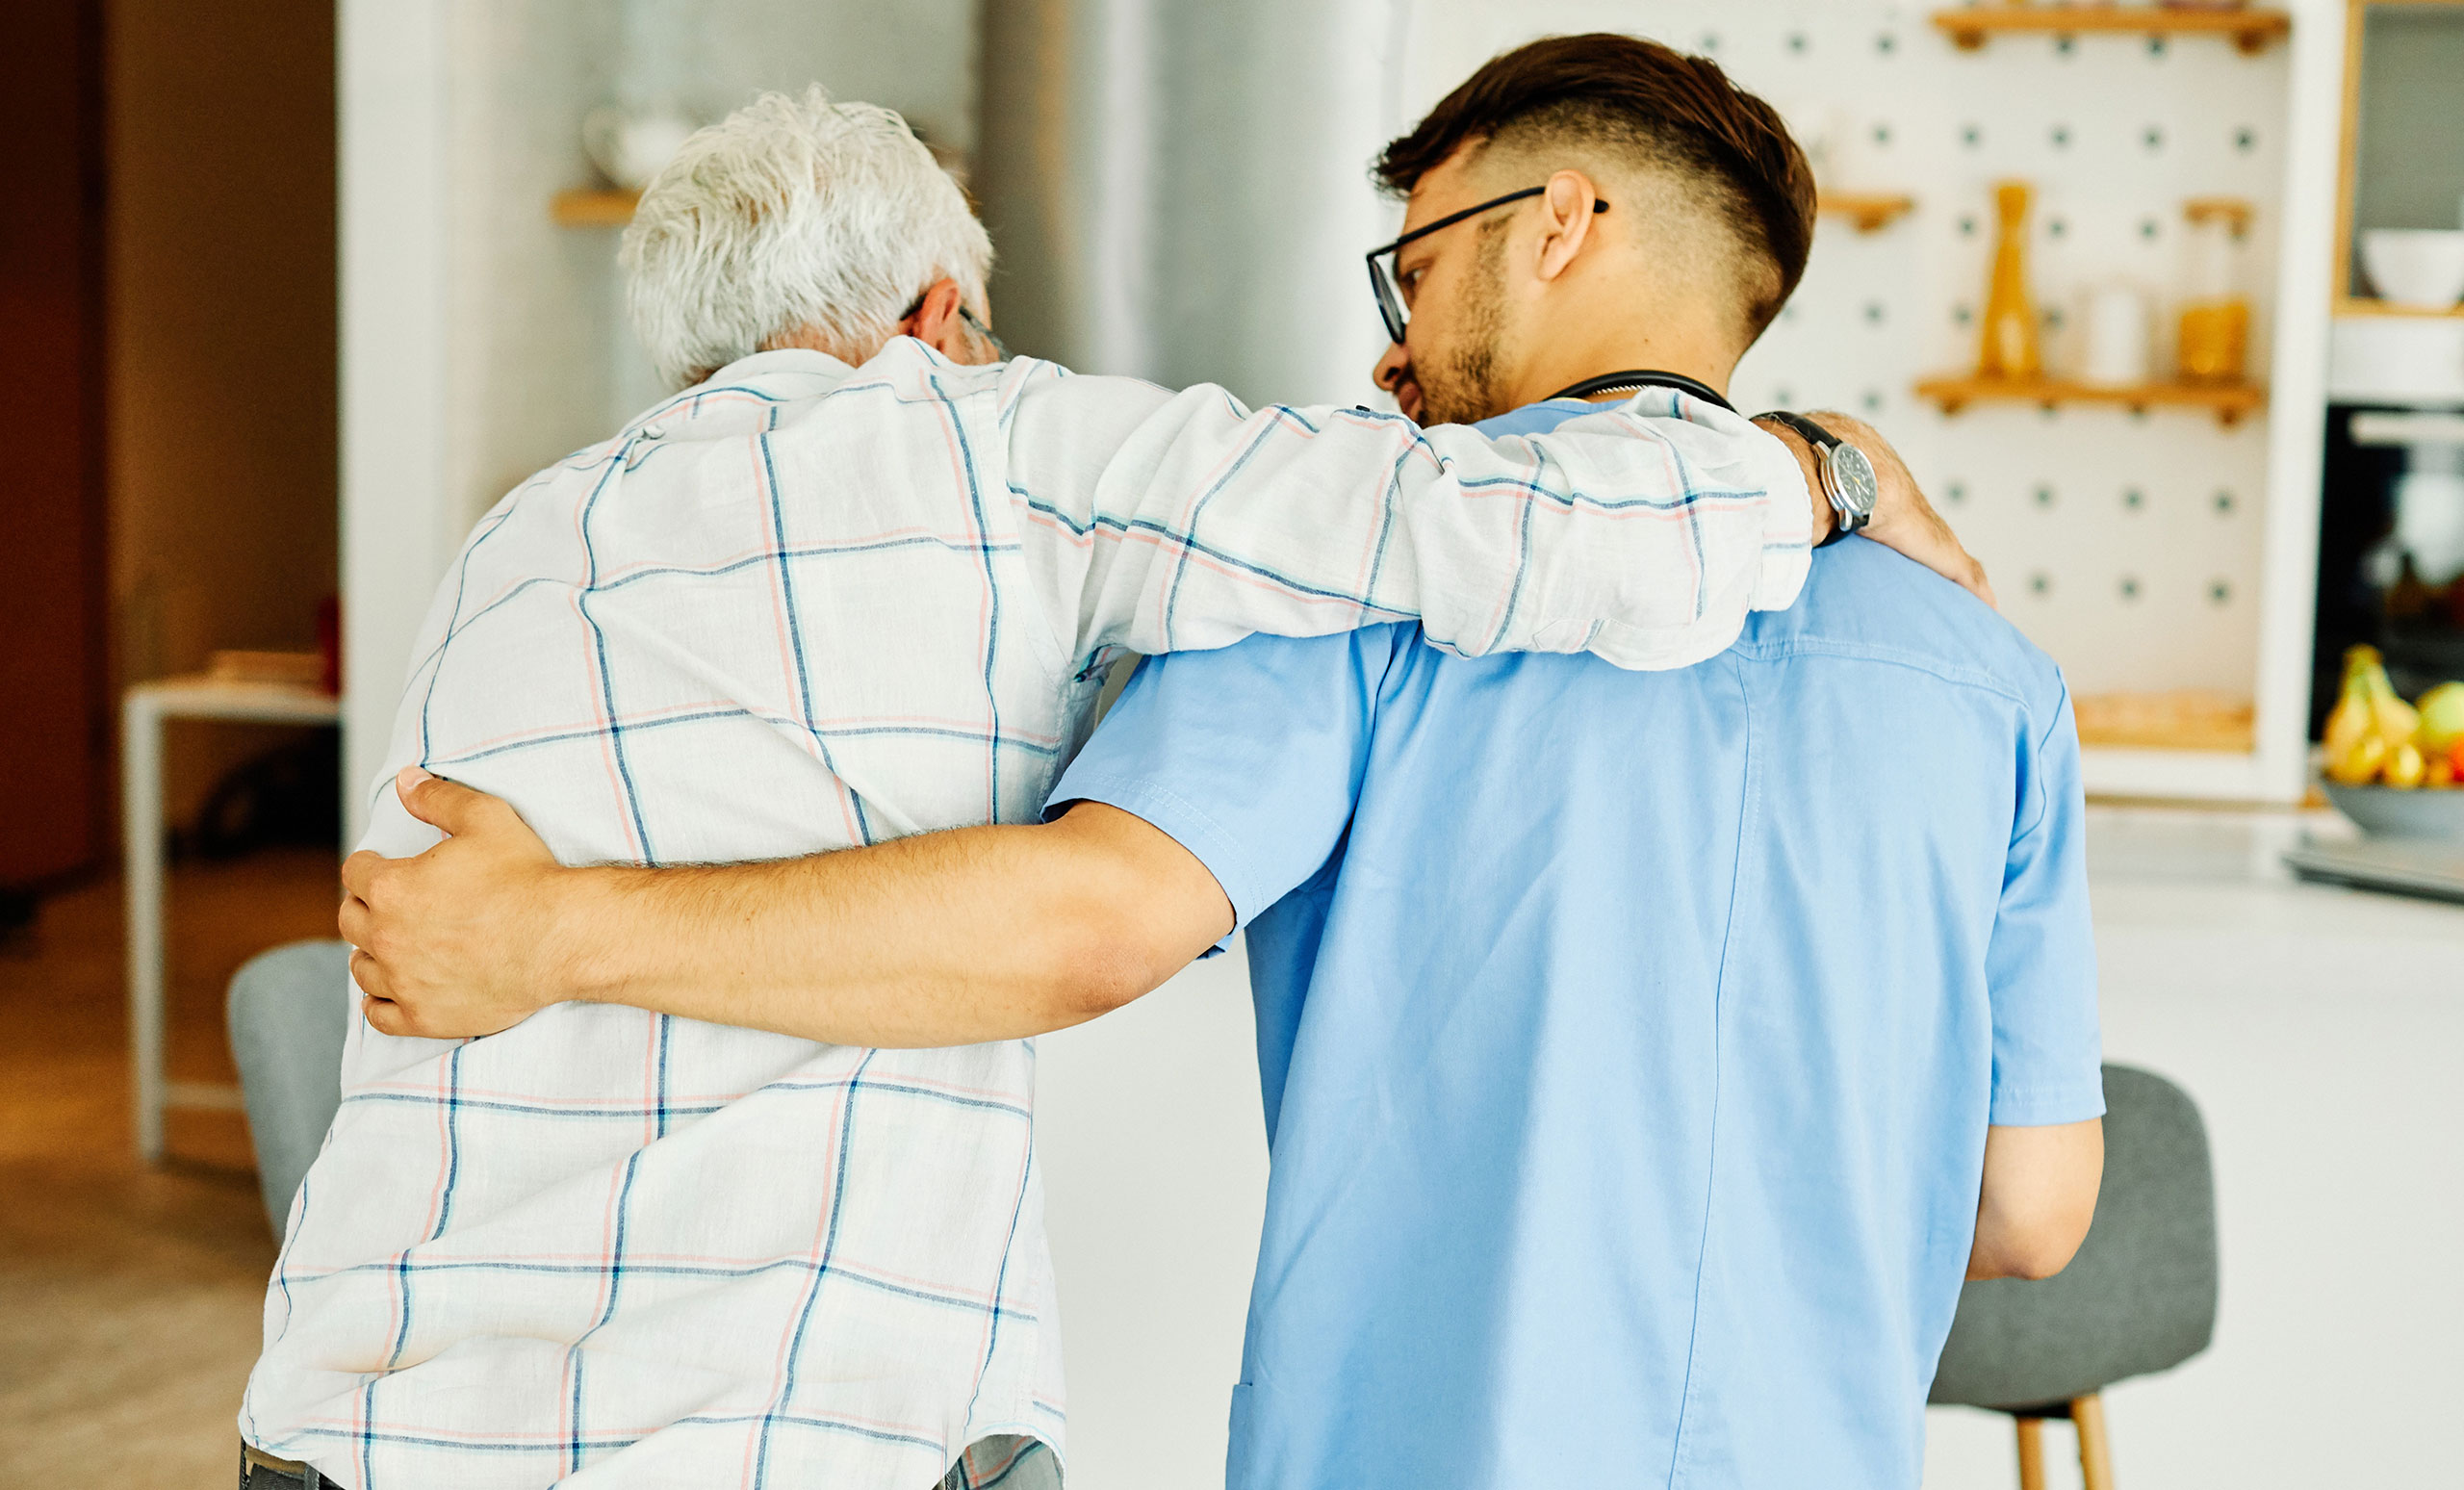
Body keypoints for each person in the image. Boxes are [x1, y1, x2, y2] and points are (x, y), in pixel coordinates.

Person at [350, 37, 2103, 1489]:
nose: (1390, 349)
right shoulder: (1987, 672)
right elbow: (2029, 1211)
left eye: (1414, 269)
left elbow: (1087, 923)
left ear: (1564, 223)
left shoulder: (1352, 599)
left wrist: (558, 930)